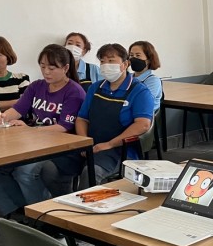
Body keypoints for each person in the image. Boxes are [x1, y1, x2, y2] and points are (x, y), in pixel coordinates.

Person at [0, 44, 86, 218]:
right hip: (33, 144)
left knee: (25, 171)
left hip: (62, 149)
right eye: (42, 67)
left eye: (52, 68)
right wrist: (2, 116)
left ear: (66, 68)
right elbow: (17, 109)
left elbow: (63, 127)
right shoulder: (37, 86)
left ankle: (44, 217)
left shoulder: (74, 92)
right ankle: (17, 212)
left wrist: (31, 130)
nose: (46, 72)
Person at [48, 43, 155, 188]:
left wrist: (109, 145)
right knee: (49, 167)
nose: (106, 65)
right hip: (90, 145)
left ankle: (87, 201)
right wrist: (85, 142)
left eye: (111, 61)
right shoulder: (95, 88)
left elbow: (143, 124)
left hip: (119, 150)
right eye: (102, 62)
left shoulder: (139, 91)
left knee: (90, 172)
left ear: (125, 64)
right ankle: (63, 199)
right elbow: (82, 118)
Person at [128, 40, 163, 110]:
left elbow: (143, 102)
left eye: (138, 55)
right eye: (131, 55)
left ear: (149, 59)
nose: (133, 58)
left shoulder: (153, 81)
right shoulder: (128, 77)